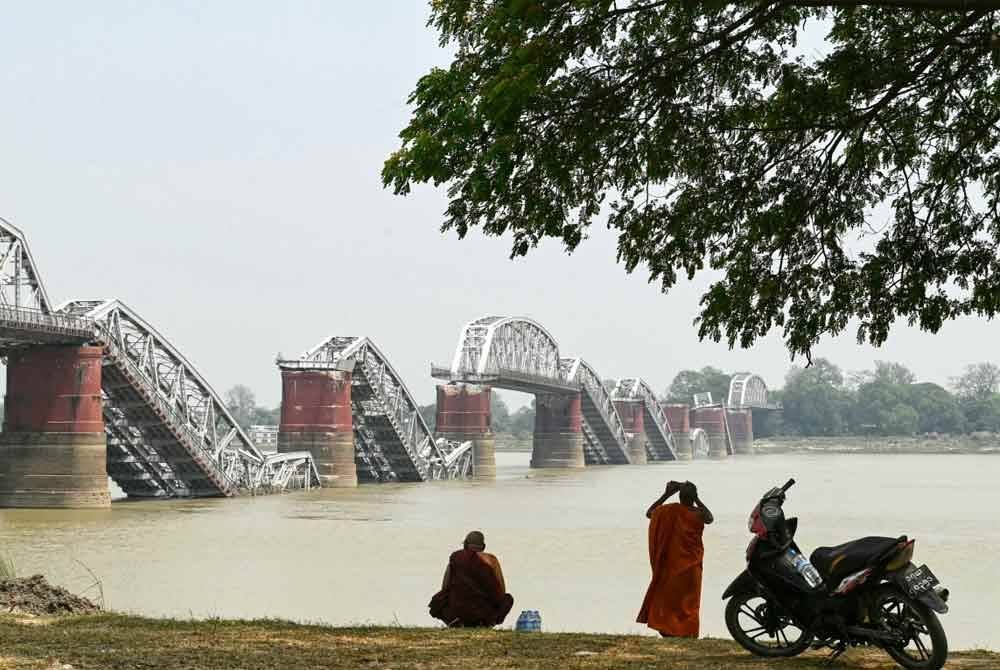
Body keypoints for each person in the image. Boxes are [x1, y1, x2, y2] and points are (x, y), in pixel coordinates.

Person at [637, 480, 714, 638]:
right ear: (694, 497)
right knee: (689, 603)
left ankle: (669, 631)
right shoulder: (697, 513)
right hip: (692, 567)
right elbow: (710, 518)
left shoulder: (668, 511)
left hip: (671, 565)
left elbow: (650, 512)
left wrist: (666, 494)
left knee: (669, 601)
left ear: (678, 496)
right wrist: (697, 498)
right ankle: (688, 632)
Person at [429, 530, 514, 628]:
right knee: (507, 599)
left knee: (437, 601)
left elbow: (445, 586)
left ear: (465, 544)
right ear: (483, 546)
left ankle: (455, 622)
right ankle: (487, 624)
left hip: (457, 614)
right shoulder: (491, 560)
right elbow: (501, 590)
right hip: (484, 615)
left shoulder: (456, 557)